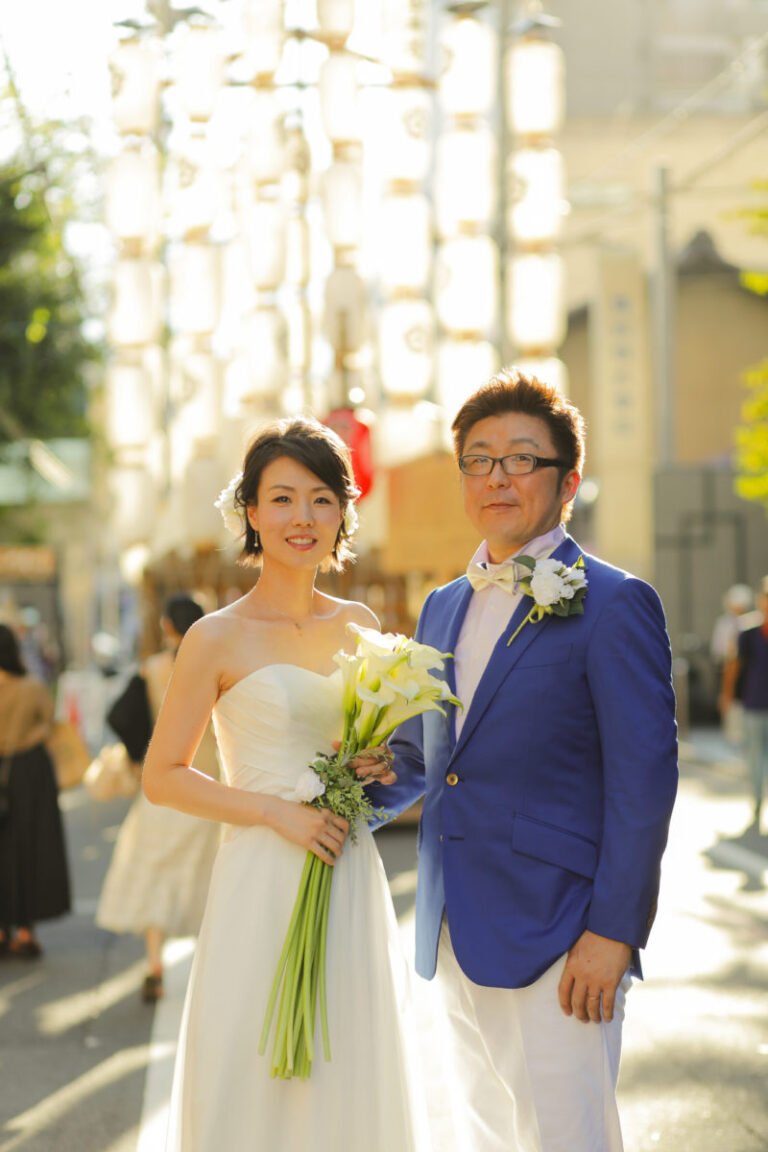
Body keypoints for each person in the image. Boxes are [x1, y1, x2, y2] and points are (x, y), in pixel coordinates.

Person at [368, 370, 679, 1152]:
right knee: (486, 1136)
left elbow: (643, 782)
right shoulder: (443, 604)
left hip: (561, 932)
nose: (496, 476)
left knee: (567, 1137)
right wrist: (340, 789)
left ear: (567, 481)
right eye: (479, 459)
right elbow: (427, 756)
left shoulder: (614, 602)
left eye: (520, 459)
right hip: (453, 924)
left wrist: (612, 933)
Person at [142, 417, 426, 1151]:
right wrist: (273, 812)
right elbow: (162, 776)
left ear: (343, 513)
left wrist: (375, 765)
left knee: (349, 1063)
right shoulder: (215, 636)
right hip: (260, 874)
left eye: (322, 499)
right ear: (251, 512)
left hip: (345, 867)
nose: (303, 517)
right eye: (282, 498)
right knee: (254, 1065)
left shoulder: (363, 624)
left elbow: (379, 750)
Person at [96, 595, 223, 1003]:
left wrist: (138, 757)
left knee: (154, 876)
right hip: (208, 787)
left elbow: (119, 717)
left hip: (162, 785)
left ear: (167, 627)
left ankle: (154, 966)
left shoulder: (150, 669)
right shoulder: (220, 667)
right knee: (206, 880)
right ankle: (208, 972)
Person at [0, 623, 71, 958]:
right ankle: (26, 931)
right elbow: (49, 720)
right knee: (29, 847)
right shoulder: (31, 686)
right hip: (29, 772)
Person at [720, 576, 768, 832]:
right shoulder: (748, 633)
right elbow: (734, 666)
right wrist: (727, 695)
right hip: (754, 703)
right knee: (755, 757)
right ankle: (758, 800)